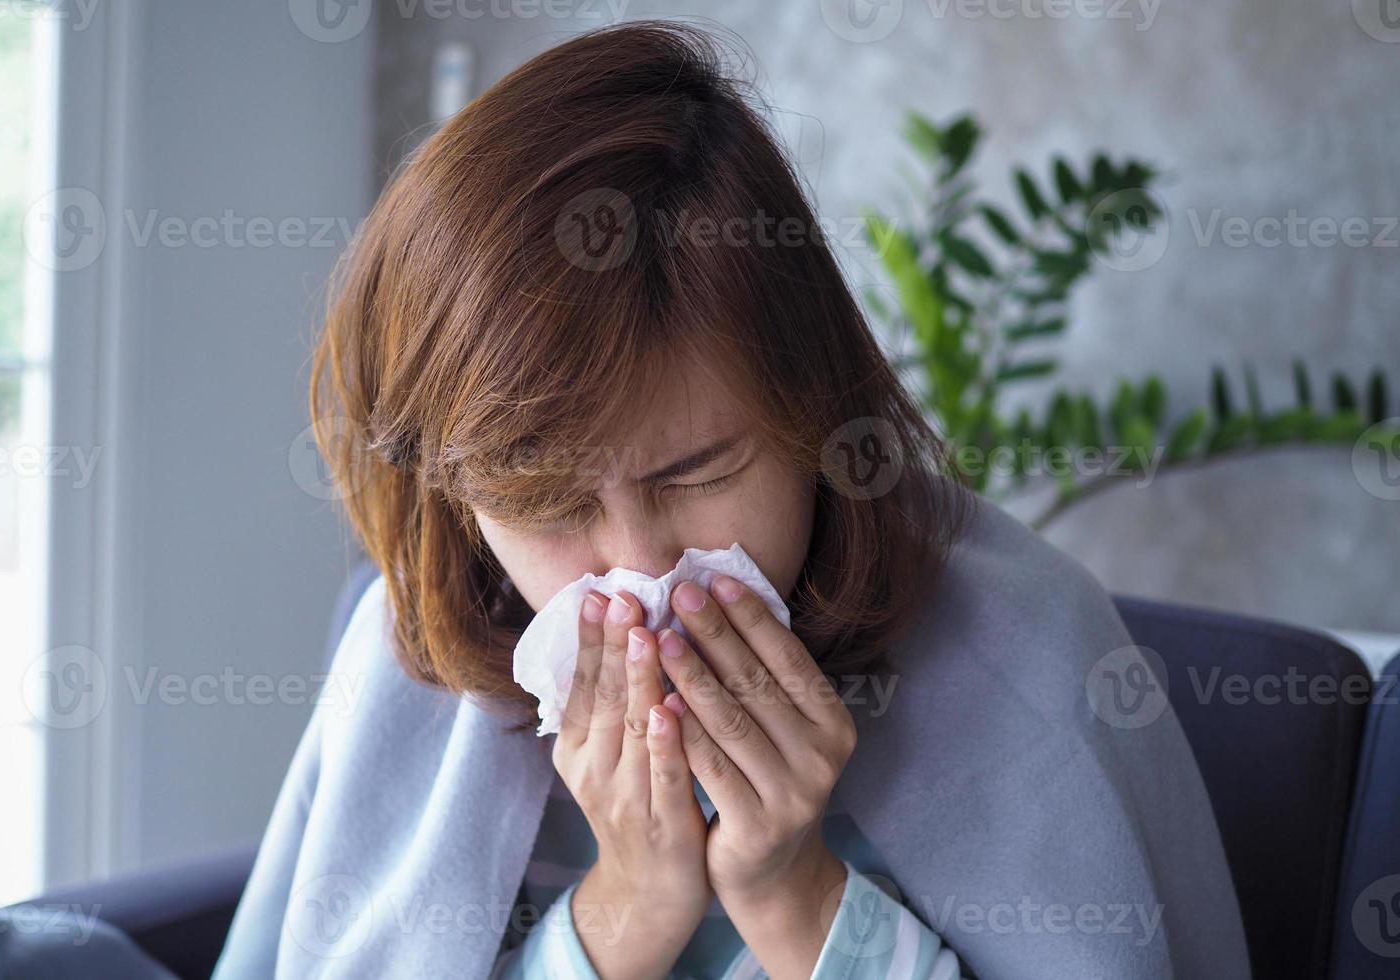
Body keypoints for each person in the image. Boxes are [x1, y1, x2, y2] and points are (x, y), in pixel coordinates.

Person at [209, 19, 1250, 980]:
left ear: (815, 420)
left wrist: (794, 894)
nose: (640, 565)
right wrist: (623, 908)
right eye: (547, 503)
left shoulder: (1030, 647)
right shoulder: (413, 663)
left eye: (698, 473)